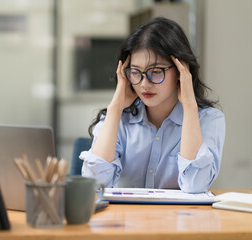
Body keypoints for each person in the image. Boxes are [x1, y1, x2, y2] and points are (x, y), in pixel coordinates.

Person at [80, 17, 225, 193]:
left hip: (180, 220)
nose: (144, 84)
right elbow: (94, 186)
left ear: (181, 71)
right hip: (124, 220)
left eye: (155, 72)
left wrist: (189, 106)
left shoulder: (209, 120)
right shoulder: (118, 118)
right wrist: (115, 108)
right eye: (136, 72)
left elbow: (196, 185)